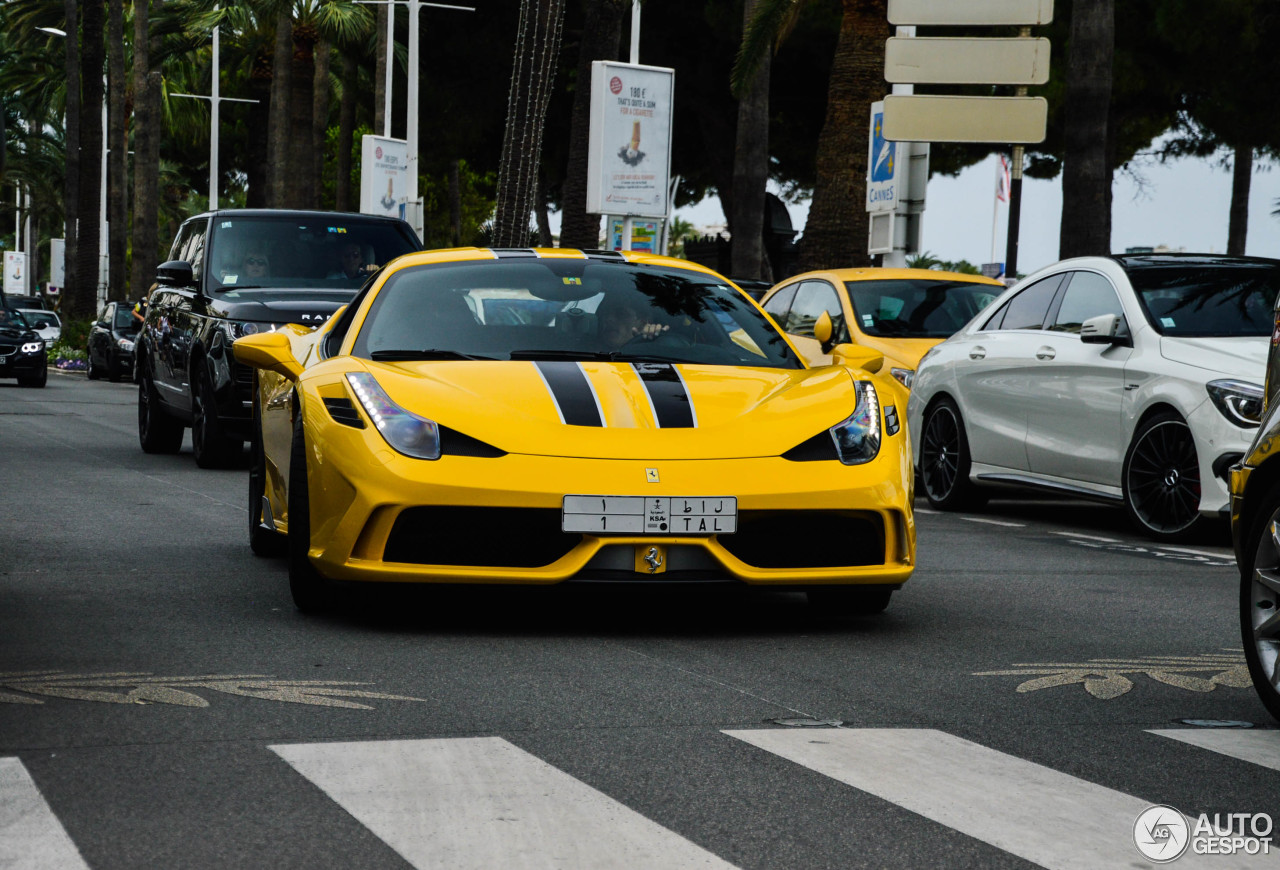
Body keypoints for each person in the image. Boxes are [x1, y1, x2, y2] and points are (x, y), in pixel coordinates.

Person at [595, 294, 668, 348]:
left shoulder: (658, 355)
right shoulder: (585, 347)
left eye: (621, 314)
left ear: (643, 323)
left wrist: (651, 342)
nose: (608, 319)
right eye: (605, 313)